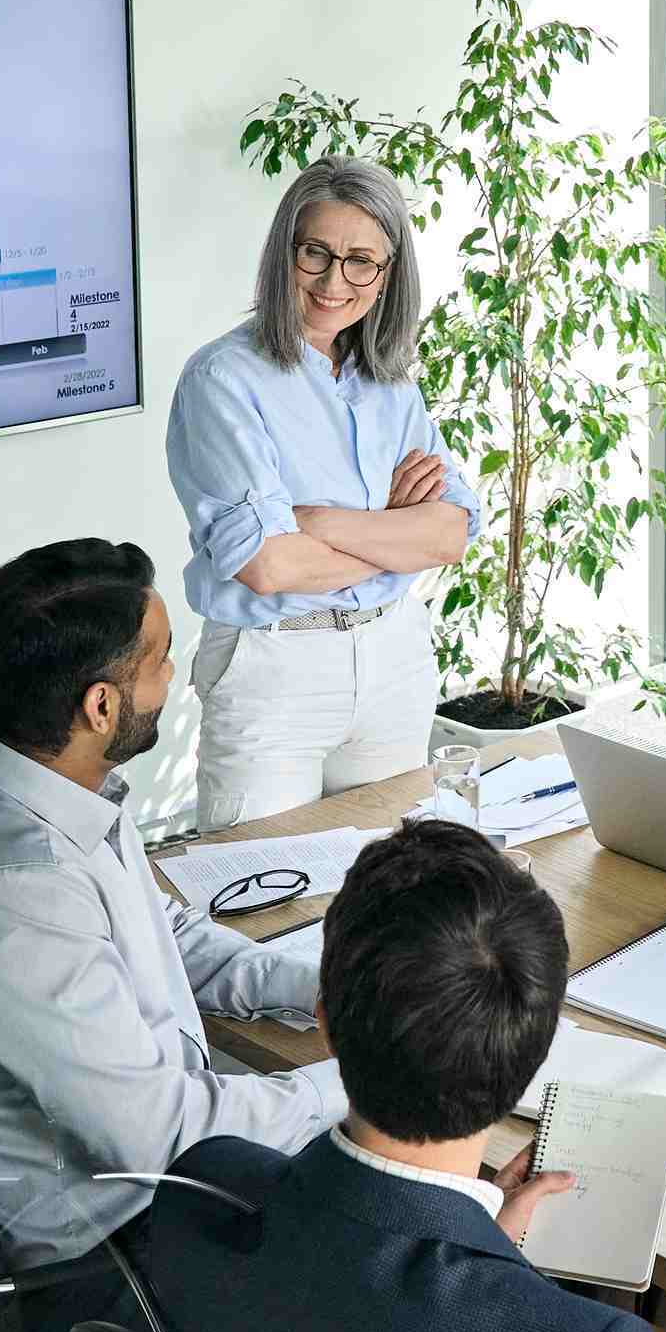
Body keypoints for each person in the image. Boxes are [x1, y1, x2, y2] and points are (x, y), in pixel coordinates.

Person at [151, 820, 666, 1332]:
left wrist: (482, 1241)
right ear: (530, 1062)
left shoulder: (199, 1193)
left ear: (326, 1025)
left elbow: (357, 1330)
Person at [0, 539, 346, 1332]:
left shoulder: (39, 792)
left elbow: (171, 934)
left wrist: (322, 988)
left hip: (152, 1182)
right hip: (115, 1261)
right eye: (160, 660)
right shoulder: (14, 897)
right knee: (413, 1269)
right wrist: (357, 1080)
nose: (178, 680)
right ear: (101, 703)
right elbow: (164, 1139)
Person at [167, 154, 481, 829]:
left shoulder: (392, 381)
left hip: (393, 659)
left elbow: (451, 534)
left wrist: (319, 522)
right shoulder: (223, 380)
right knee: (261, 901)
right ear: (285, 252)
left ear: (387, 274)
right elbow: (268, 564)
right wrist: (396, 533)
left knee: (395, 899)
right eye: (317, 253)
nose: (336, 280)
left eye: (361, 260)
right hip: (274, 667)